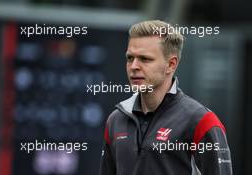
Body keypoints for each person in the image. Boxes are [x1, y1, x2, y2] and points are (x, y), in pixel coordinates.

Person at [99, 20, 232, 175]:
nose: (134, 66)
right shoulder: (115, 120)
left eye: (145, 59)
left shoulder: (202, 121)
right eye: (130, 58)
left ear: (171, 64)